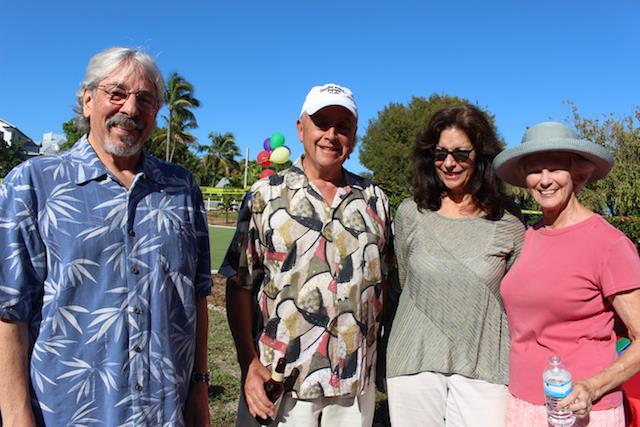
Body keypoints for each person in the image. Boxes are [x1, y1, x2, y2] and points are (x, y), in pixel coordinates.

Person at [0, 47, 211, 426]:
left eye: (145, 100)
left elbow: (196, 296)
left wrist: (199, 389)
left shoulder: (181, 188)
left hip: (164, 413)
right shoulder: (34, 185)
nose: (130, 109)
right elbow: (9, 313)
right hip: (69, 413)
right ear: (87, 101)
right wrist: (16, 418)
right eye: (117, 93)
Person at [221, 83, 393, 426]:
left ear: (354, 135)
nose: (331, 135)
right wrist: (248, 364)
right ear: (301, 129)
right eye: (322, 123)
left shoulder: (375, 200)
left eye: (342, 126)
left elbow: (384, 286)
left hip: (353, 389)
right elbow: (239, 285)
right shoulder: (264, 196)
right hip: (280, 386)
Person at [385, 104, 525, 427]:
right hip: (413, 361)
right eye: (440, 154)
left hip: (486, 366)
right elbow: (405, 282)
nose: (449, 163)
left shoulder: (508, 221)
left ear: (481, 156)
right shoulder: (410, 214)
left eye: (461, 154)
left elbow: (516, 297)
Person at [494, 121, 640, 426]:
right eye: (535, 170)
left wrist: (592, 386)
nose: (545, 180)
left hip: (583, 410)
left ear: (577, 174)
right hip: (522, 404)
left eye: (555, 168)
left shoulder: (608, 244)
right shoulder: (527, 237)